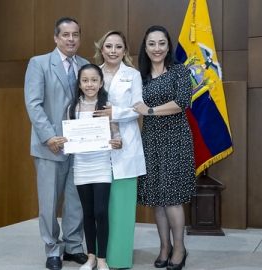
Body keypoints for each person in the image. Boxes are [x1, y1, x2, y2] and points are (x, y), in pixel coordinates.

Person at [24, 17, 89, 270]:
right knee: (49, 202)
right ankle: (52, 249)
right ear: (56, 38)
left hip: (80, 146)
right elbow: (33, 103)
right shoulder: (39, 63)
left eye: (75, 34)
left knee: (76, 200)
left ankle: (73, 246)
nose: (71, 39)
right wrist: (49, 136)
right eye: (65, 35)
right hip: (50, 144)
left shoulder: (85, 65)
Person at [133, 25, 196, 270]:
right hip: (150, 140)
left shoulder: (179, 70)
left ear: (168, 45)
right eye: (152, 43)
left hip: (175, 140)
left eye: (161, 43)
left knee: (172, 199)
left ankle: (179, 248)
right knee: (157, 200)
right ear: (145, 47)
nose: (157, 48)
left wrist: (149, 110)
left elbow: (182, 102)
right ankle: (164, 247)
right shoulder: (141, 75)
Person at [93, 30, 146, 269]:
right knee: (99, 207)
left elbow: (138, 109)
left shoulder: (133, 75)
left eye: (118, 47)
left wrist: (115, 112)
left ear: (125, 50)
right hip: (97, 147)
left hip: (126, 146)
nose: (113, 51)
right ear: (101, 49)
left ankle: (120, 258)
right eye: (108, 46)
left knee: (122, 207)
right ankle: (98, 257)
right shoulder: (93, 73)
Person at [66, 64, 122, 270]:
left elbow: (116, 134)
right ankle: (90, 257)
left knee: (100, 211)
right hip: (81, 167)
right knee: (87, 212)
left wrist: (117, 141)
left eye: (94, 80)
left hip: (101, 166)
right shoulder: (73, 108)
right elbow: (70, 136)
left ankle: (102, 259)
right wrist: (67, 141)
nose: (90, 84)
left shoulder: (107, 105)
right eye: (85, 80)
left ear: (100, 83)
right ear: (79, 84)